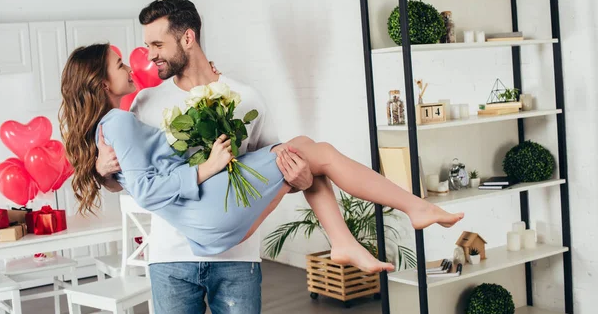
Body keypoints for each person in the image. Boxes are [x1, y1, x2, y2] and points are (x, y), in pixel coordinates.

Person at [60, 43, 464, 276]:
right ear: (100, 82)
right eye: (119, 64)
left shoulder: (112, 125)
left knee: (304, 159)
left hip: (205, 228)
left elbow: (133, 175)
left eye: (154, 46)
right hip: (207, 210)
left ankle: (345, 242)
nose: (135, 63)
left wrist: (102, 172)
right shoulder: (118, 121)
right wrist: (207, 167)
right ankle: (413, 208)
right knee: (312, 150)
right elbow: (146, 191)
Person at [90, 0, 313, 314]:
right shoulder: (143, 104)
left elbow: (269, 176)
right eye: (148, 46)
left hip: (237, 258)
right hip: (170, 261)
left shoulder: (247, 98)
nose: (150, 56)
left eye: (158, 45)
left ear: (188, 38)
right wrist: (104, 173)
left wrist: (300, 181)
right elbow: (133, 182)